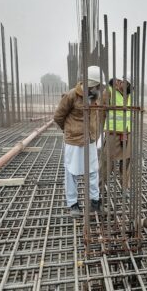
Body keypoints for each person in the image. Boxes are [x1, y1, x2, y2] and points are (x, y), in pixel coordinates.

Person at [54, 66, 104, 217]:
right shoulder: (71, 96)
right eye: (98, 86)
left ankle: (95, 202)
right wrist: (69, 131)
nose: (99, 89)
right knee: (71, 172)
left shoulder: (95, 98)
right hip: (74, 142)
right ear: (91, 84)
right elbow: (58, 116)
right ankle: (73, 204)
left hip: (90, 140)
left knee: (93, 171)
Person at [99, 74, 132, 195]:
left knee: (126, 162)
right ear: (119, 82)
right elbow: (101, 112)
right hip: (113, 133)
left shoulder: (130, 94)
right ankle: (100, 188)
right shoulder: (109, 91)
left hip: (127, 133)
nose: (129, 88)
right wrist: (101, 131)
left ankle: (125, 188)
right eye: (127, 84)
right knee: (107, 162)